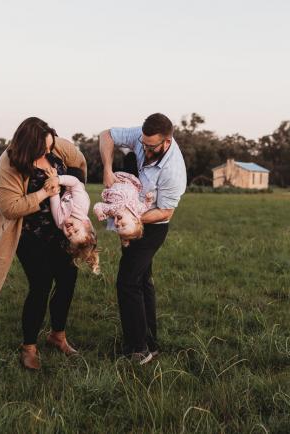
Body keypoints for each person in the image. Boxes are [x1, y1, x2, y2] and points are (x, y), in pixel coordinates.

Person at [0, 116, 87, 370]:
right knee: (41, 284)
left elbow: (78, 162)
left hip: (61, 231)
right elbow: (10, 208)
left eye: (50, 145)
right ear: (28, 145)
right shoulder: (9, 162)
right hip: (30, 234)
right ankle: (29, 347)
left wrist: (75, 193)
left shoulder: (55, 145)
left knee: (68, 280)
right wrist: (47, 191)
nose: (49, 150)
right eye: (43, 149)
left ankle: (58, 335)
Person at [98, 113, 187, 364]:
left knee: (127, 282)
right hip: (134, 214)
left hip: (153, 224)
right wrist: (107, 169)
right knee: (142, 280)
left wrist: (128, 216)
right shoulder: (143, 136)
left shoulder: (173, 171)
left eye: (152, 147)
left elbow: (166, 212)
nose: (145, 150)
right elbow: (106, 135)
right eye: (144, 145)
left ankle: (138, 350)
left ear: (167, 142)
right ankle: (150, 342)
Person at [43, 167, 100, 274]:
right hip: (76, 179)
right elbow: (75, 183)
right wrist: (57, 179)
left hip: (65, 189)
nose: (70, 231)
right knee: (73, 169)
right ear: (85, 223)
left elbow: (54, 195)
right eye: (76, 231)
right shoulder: (81, 205)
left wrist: (53, 183)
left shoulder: (60, 222)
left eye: (69, 235)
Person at [93, 171, 155, 246]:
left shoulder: (113, 210)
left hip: (115, 180)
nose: (118, 223)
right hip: (130, 182)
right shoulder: (138, 210)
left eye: (117, 226)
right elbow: (146, 206)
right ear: (135, 220)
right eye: (123, 225)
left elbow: (98, 205)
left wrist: (99, 212)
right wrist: (149, 199)